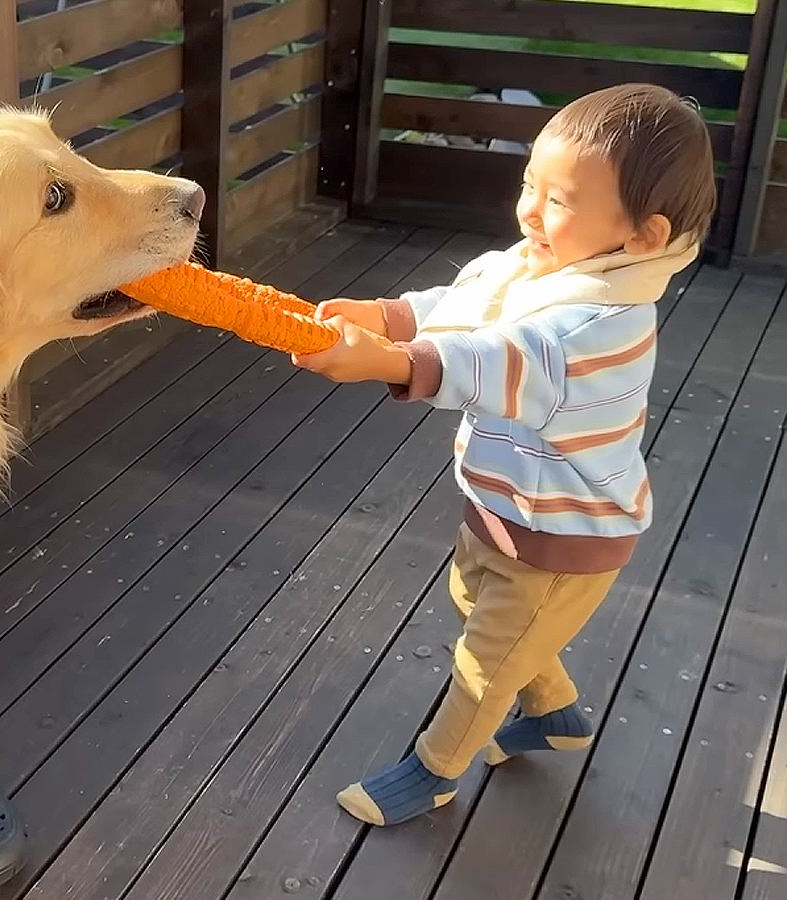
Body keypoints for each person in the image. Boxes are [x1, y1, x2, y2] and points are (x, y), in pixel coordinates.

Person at [291, 83, 717, 827]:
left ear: (643, 235)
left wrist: (391, 362)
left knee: (484, 667)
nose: (530, 211)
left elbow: (495, 357)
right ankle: (555, 711)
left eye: (560, 200)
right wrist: (389, 317)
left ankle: (433, 773)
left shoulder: (600, 324)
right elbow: (464, 303)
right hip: (501, 506)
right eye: (531, 184)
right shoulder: (542, 264)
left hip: (563, 537)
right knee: (474, 606)